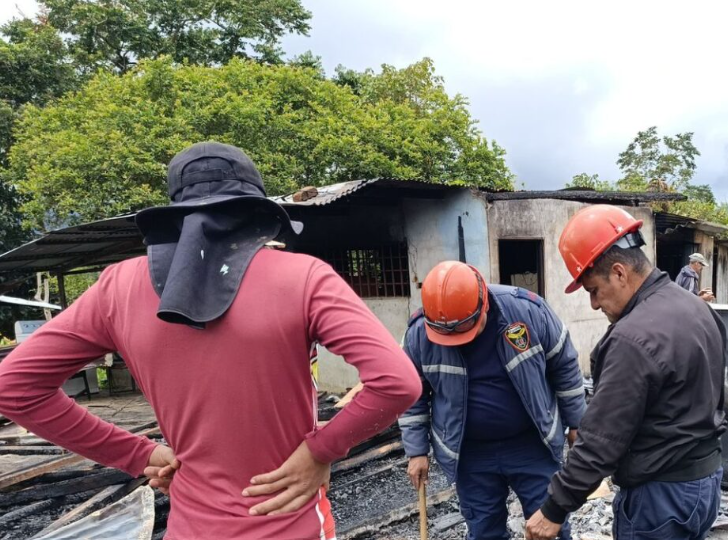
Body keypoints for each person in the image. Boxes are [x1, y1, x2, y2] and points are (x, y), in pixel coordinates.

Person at [0, 142, 423, 539]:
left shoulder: (117, 287)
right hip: (289, 522)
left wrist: (136, 454)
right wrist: (322, 451)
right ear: (256, 210)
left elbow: (13, 386)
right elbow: (397, 382)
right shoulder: (303, 277)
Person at [525, 205, 726, 540]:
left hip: (660, 497)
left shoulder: (632, 339)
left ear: (619, 273)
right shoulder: (697, 308)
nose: (593, 304)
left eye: (593, 290)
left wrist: (554, 509)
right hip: (704, 486)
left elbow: (602, 440)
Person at [399, 261, 585, 540]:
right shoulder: (419, 334)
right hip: (470, 454)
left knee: (550, 528)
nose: (458, 341)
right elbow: (410, 393)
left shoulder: (526, 312)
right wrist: (416, 450)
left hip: (532, 444)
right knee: (484, 531)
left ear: (483, 303)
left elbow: (565, 366)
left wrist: (577, 423)